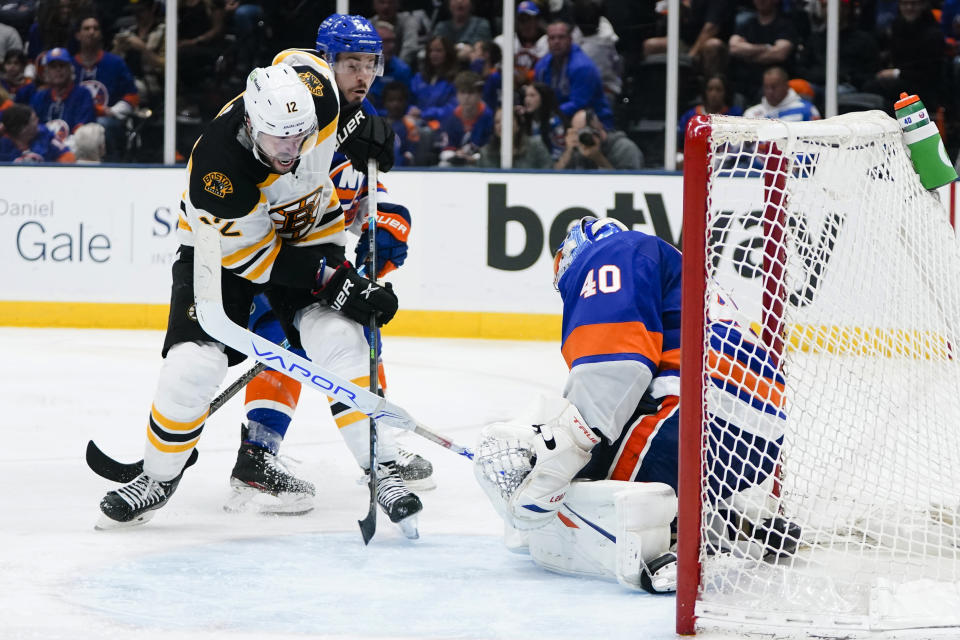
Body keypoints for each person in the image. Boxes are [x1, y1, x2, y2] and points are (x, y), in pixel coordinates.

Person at [96, 60, 419, 533]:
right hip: (221, 253)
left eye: (300, 137)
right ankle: (157, 477)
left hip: (309, 233)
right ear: (252, 123)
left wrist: (360, 121)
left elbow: (306, 63)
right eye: (279, 139)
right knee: (192, 365)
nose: (292, 150)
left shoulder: (316, 91)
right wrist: (335, 282)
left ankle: (383, 469)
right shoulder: (217, 170)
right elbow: (262, 265)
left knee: (340, 341)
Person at [474, 216, 793, 592]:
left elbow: (616, 365)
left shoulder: (610, 252)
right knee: (595, 457)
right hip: (753, 430)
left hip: (698, 411)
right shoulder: (662, 263)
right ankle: (716, 517)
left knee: (589, 488)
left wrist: (568, 448)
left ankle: (671, 541)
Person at [223, 14, 434, 517]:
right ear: (325, 64)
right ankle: (255, 458)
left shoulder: (365, 122)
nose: (363, 76)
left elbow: (368, 198)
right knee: (279, 335)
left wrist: (383, 226)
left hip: (321, 261)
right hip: (266, 260)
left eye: (370, 64)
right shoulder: (289, 114)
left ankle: (374, 438)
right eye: (351, 64)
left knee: (361, 326)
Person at [73, 15, 140, 161]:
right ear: (78, 35)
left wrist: (114, 111)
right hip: (77, 119)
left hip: (108, 120)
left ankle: (112, 164)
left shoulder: (115, 63)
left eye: (95, 29)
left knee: (103, 125)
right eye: (87, 28)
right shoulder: (70, 65)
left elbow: (132, 96)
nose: (91, 32)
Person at [533, 19, 613, 129]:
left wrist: (550, 115)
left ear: (570, 39)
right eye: (552, 38)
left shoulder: (583, 66)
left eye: (561, 37)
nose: (556, 41)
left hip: (594, 123)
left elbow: (579, 104)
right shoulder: (542, 66)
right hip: (559, 120)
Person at [727, 0, 799, 105]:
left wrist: (748, 54)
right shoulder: (747, 24)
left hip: (772, 83)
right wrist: (765, 47)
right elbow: (733, 48)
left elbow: (780, 54)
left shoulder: (785, 25)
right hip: (745, 81)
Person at [29, 47, 94, 133]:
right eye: (53, 67)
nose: (58, 70)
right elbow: (31, 128)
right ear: (47, 71)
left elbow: (83, 129)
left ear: (70, 69)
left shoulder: (83, 94)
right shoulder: (39, 97)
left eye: (62, 65)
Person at [554, 107, 643, 170]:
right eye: (577, 132)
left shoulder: (624, 148)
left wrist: (598, 158)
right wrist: (568, 151)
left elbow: (628, 187)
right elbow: (553, 180)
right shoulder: (577, 148)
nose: (583, 136)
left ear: (599, 126)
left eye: (585, 131)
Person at [437, 69, 494, 167]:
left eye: (471, 92)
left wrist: (475, 158)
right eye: (463, 92)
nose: (466, 97)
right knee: (443, 165)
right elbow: (445, 151)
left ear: (480, 95)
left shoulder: (489, 118)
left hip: (483, 164)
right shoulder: (450, 119)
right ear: (457, 95)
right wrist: (456, 155)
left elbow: (492, 150)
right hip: (457, 164)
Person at [477, 106, 553, 169]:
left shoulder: (535, 146)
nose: (501, 125)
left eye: (506, 120)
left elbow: (549, 172)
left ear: (518, 125)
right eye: (497, 122)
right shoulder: (486, 152)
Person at [0, 102, 75, 162]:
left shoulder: (47, 138)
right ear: (23, 129)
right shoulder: (4, 145)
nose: (38, 120)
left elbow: (68, 156)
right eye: (33, 120)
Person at [744, 66, 820, 122]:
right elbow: (737, 143)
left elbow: (818, 140)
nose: (770, 91)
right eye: (766, 87)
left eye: (774, 87)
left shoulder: (807, 110)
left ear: (786, 86)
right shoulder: (751, 114)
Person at [520, 81, 566, 161]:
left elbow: (560, 151)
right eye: (526, 95)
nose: (527, 99)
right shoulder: (527, 119)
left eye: (532, 95)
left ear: (543, 98)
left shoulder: (554, 122)